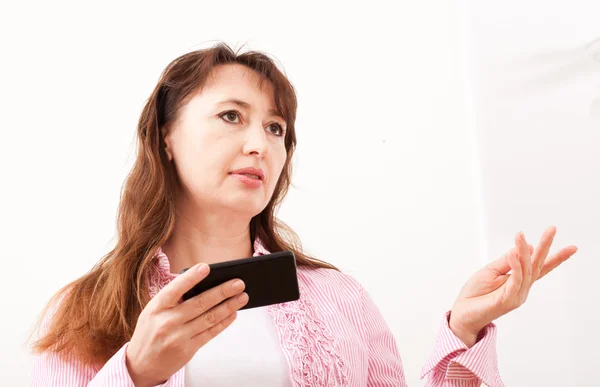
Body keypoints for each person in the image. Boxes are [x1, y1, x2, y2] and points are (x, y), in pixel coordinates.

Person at [29, 42, 578, 387]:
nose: (260, 145)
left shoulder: (338, 298)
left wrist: (464, 328)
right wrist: (135, 374)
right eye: (230, 116)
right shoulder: (86, 310)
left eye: (276, 129)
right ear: (166, 138)